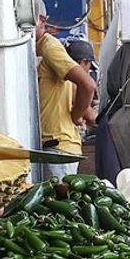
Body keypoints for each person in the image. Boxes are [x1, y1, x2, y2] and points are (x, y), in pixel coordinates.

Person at [36, 15, 96, 179]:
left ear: (41, 21)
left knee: (57, 202)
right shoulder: (48, 53)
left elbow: (88, 85)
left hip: (58, 146)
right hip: (59, 146)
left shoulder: (51, 47)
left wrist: (76, 115)